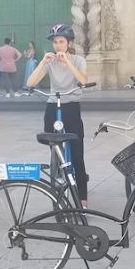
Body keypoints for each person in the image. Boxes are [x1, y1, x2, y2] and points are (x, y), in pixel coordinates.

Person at [26, 24, 90, 206]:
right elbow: (31, 82)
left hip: (71, 106)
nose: (58, 46)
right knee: (54, 150)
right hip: (53, 106)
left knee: (77, 155)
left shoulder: (78, 60)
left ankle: (83, 199)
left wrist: (68, 62)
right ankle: (57, 183)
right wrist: (42, 63)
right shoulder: (50, 62)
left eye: (61, 41)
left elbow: (83, 80)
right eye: (55, 42)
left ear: (68, 43)